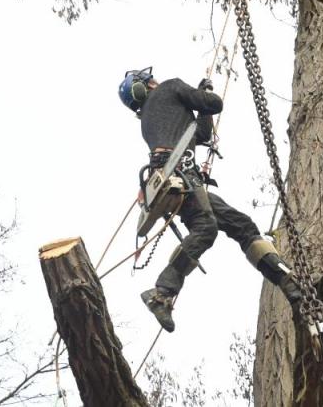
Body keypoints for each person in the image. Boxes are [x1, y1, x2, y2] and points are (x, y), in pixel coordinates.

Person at [117, 67, 302, 332]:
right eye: (149, 80)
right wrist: (204, 93)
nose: (154, 81)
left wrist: (202, 102)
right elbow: (214, 104)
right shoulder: (170, 86)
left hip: (174, 178)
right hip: (181, 174)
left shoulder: (147, 120)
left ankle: (286, 281)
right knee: (207, 227)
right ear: (144, 86)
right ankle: (162, 292)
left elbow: (201, 134)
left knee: (241, 224)